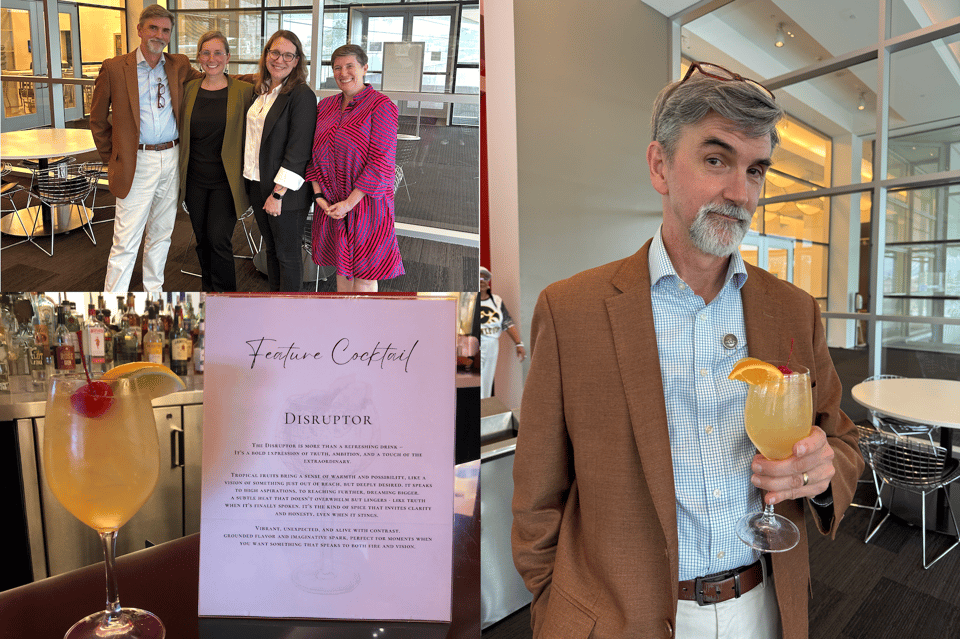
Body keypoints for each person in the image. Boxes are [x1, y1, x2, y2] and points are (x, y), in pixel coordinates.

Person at [511, 62, 863, 639]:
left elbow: (842, 440)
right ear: (659, 166)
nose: (739, 192)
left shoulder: (793, 310)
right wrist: (553, 604)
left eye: (756, 170)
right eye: (716, 159)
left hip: (762, 607)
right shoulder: (570, 310)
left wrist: (823, 473)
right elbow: (537, 493)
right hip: (614, 617)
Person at [90, 4, 201, 293]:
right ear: (139, 30)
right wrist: (114, 158)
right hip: (135, 161)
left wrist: (262, 81)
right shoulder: (114, 68)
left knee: (162, 235)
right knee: (126, 240)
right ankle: (112, 306)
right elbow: (98, 120)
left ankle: (153, 295)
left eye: (165, 30)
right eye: (153, 28)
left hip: (172, 157)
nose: (159, 35)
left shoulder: (178, 65)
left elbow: (212, 81)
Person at [306, 44, 404, 293]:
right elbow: (313, 154)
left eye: (350, 66)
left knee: (364, 275)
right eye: (337, 67)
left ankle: (364, 327)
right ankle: (345, 325)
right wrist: (318, 196)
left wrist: (350, 203)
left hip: (367, 204)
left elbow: (381, 161)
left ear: (364, 68)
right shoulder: (325, 106)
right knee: (342, 271)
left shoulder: (381, 106)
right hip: (331, 204)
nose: (343, 72)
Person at [178, 31, 254, 292]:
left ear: (228, 57)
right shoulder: (188, 90)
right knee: (202, 240)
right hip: (195, 179)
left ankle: (227, 300)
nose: (212, 58)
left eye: (218, 52)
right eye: (206, 52)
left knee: (218, 239)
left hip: (227, 181)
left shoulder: (245, 91)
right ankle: (209, 292)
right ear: (199, 57)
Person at [243, 30, 317, 292]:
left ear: (297, 61)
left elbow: (299, 151)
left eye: (288, 55)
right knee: (272, 251)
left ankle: (292, 317)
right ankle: (275, 307)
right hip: (258, 184)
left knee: (288, 256)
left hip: (284, 192)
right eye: (275, 52)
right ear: (266, 56)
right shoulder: (262, 92)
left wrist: (278, 194)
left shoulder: (301, 95)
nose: (280, 59)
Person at [478, 267, 525, 399]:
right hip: (474, 345)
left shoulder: (497, 300)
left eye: (485, 278)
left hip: (492, 344)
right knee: (475, 381)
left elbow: (507, 323)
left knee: (487, 380)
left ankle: (484, 410)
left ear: (488, 282)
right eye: (478, 278)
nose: (482, 281)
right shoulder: (468, 300)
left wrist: (518, 344)